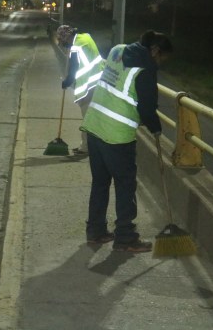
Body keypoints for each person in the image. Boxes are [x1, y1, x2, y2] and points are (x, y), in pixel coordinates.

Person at [80, 30, 173, 252]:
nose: (161, 63)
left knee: (100, 182)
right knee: (125, 185)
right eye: (163, 58)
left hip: (94, 125)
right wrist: (156, 129)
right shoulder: (146, 70)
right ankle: (125, 237)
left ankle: (96, 231)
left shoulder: (117, 50)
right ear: (155, 50)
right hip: (116, 136)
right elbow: (147, 108)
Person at [56, 25, 105, 155]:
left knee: (88, 118)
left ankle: (86, 148)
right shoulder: (85, 38)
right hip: (98, 81)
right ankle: (88, 146)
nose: (64, 45)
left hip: (90, 86)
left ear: (67, 38)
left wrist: (66, 82)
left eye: (64, 42)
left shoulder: (76, 47)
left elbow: (73, 70)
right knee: (92, 117)